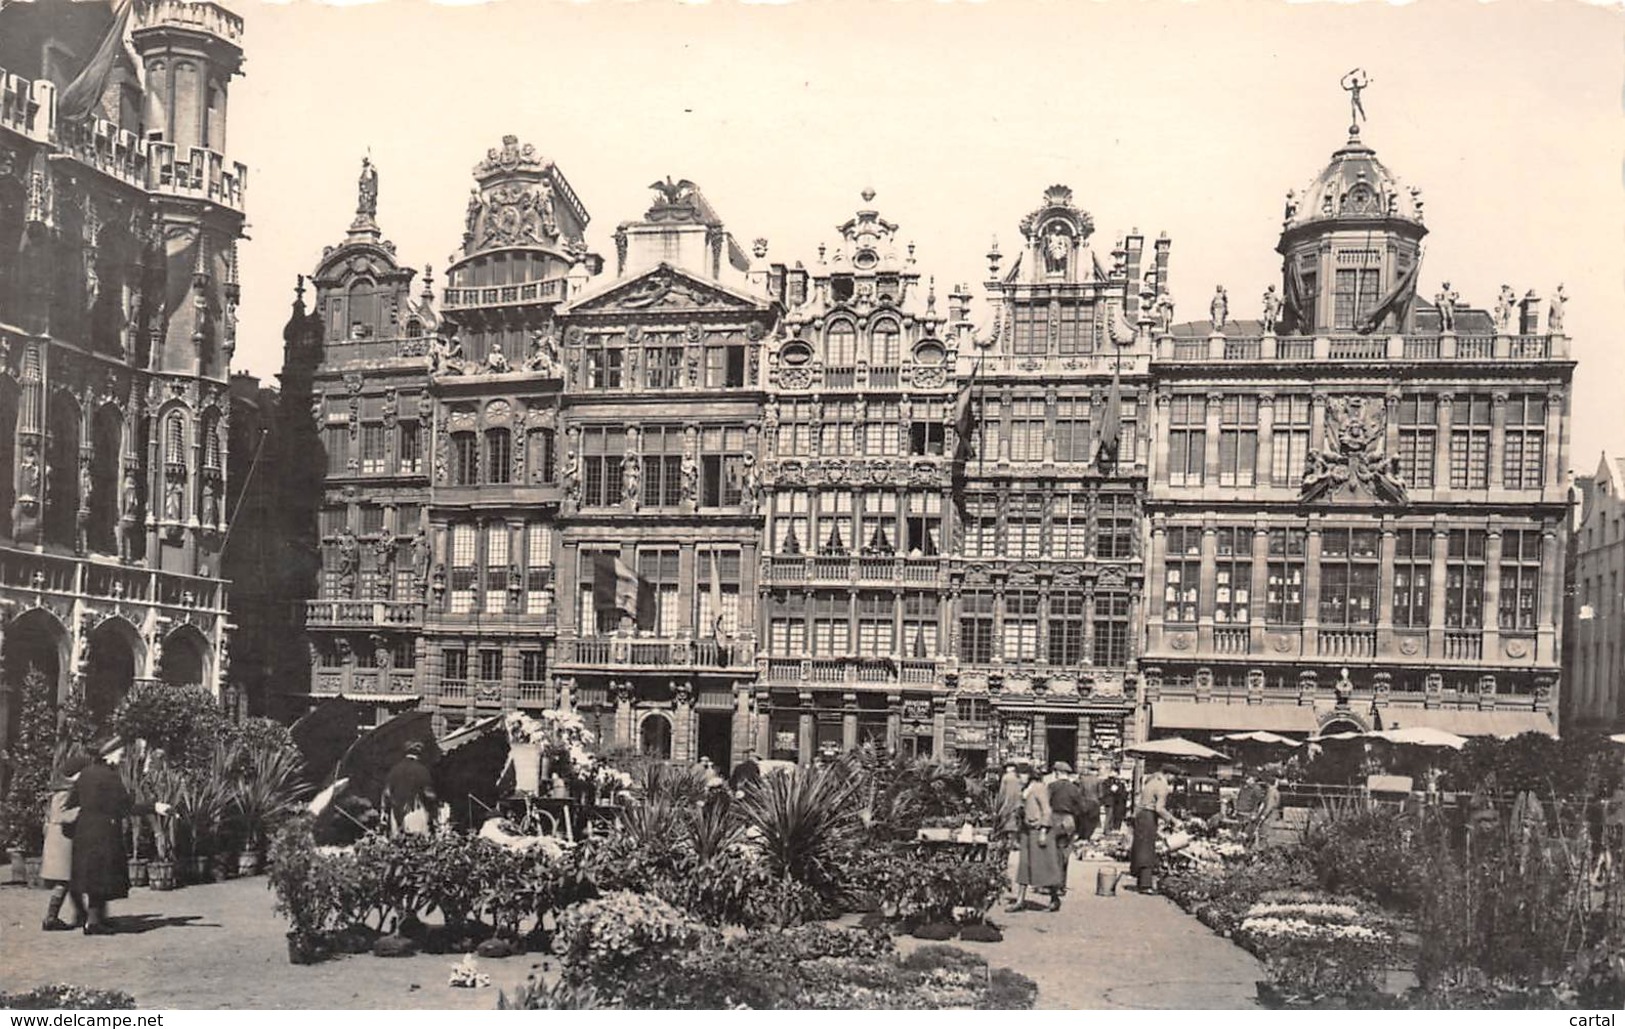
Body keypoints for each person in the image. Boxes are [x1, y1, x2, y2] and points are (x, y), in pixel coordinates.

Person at [68, 739, 168, 935]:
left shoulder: (86, 773)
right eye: (120, 752)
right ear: (108, 754)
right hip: (104, 832)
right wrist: (155, 806)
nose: (122, 756)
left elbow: (73, 801)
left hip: (84, 830)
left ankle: (96, 919)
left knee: (92, 874)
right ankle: (94, 923)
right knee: (101, 875)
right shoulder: (110, 777)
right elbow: (126, 807)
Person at [41, 751, 91, 931]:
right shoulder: (67, 791)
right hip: (62, 840)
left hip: (61, 838)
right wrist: (82, 810)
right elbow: (60, 815)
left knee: (71, 879)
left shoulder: (62, 788)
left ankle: (81, 913)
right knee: (64, 880)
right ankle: (50, 918)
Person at [1009, 766, 1065, 912]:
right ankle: (1020, 900)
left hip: (1040, 831)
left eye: (1021, 775)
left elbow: (1047, 810)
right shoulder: (1026, 789)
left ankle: (1054, 899)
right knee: (1024, 865)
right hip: (1027, 831)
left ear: (1029, 775)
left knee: (1045, 866)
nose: (1019, 778)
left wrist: (1043, 831)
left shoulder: (1039, 788)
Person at [1129, 764, 1176, 892]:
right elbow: (1159, 808)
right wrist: (1173, 820)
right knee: (1147, 849)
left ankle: (1140, 881)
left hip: (1141, 815)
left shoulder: (1151, 782)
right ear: (1168, 774)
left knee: (1140, 847)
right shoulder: (1162, 786)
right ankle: (1146, 885)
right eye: (1174, 775)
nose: (1174, 778)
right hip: (1149, 817)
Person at [381, 741, 437, 836]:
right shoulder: (422, 770)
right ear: (419, 754)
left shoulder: (394, 770)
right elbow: (429, 794)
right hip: (416, 814)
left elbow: (387, 793)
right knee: (417, 844)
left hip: (396, 814)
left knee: (397, 844)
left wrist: (384, 812)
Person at [1047, 762, 1088, 880]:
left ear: (1057, 773)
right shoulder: (1074, 788)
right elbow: (1083, 807)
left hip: (1053, 819)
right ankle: (1062, 882)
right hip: (1068, 821)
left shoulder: (1052, 786)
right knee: (1064, 852)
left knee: (1052, 852)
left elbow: (1045, 804)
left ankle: (1052, 882)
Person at [994, 762, 1024, 849]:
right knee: (1015, 825)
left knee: (1005, 825)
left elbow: (1002, 794)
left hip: (1007, 805)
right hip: (1018, 806)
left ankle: (1006, 844)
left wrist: (997, 808)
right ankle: (1013, 841)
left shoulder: (1006, 778)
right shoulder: (1019, 778)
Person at [1076, 763, 1104, 845]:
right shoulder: (1098, 780)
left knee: (1084, 820)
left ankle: (1083, 836)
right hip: (1094, 803)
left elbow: (1079, 792)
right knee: (1092, 821)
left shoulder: (1083, 779)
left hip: (1084, 802)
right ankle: (1088, 836)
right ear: (1096, 771)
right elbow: (1100, 794)